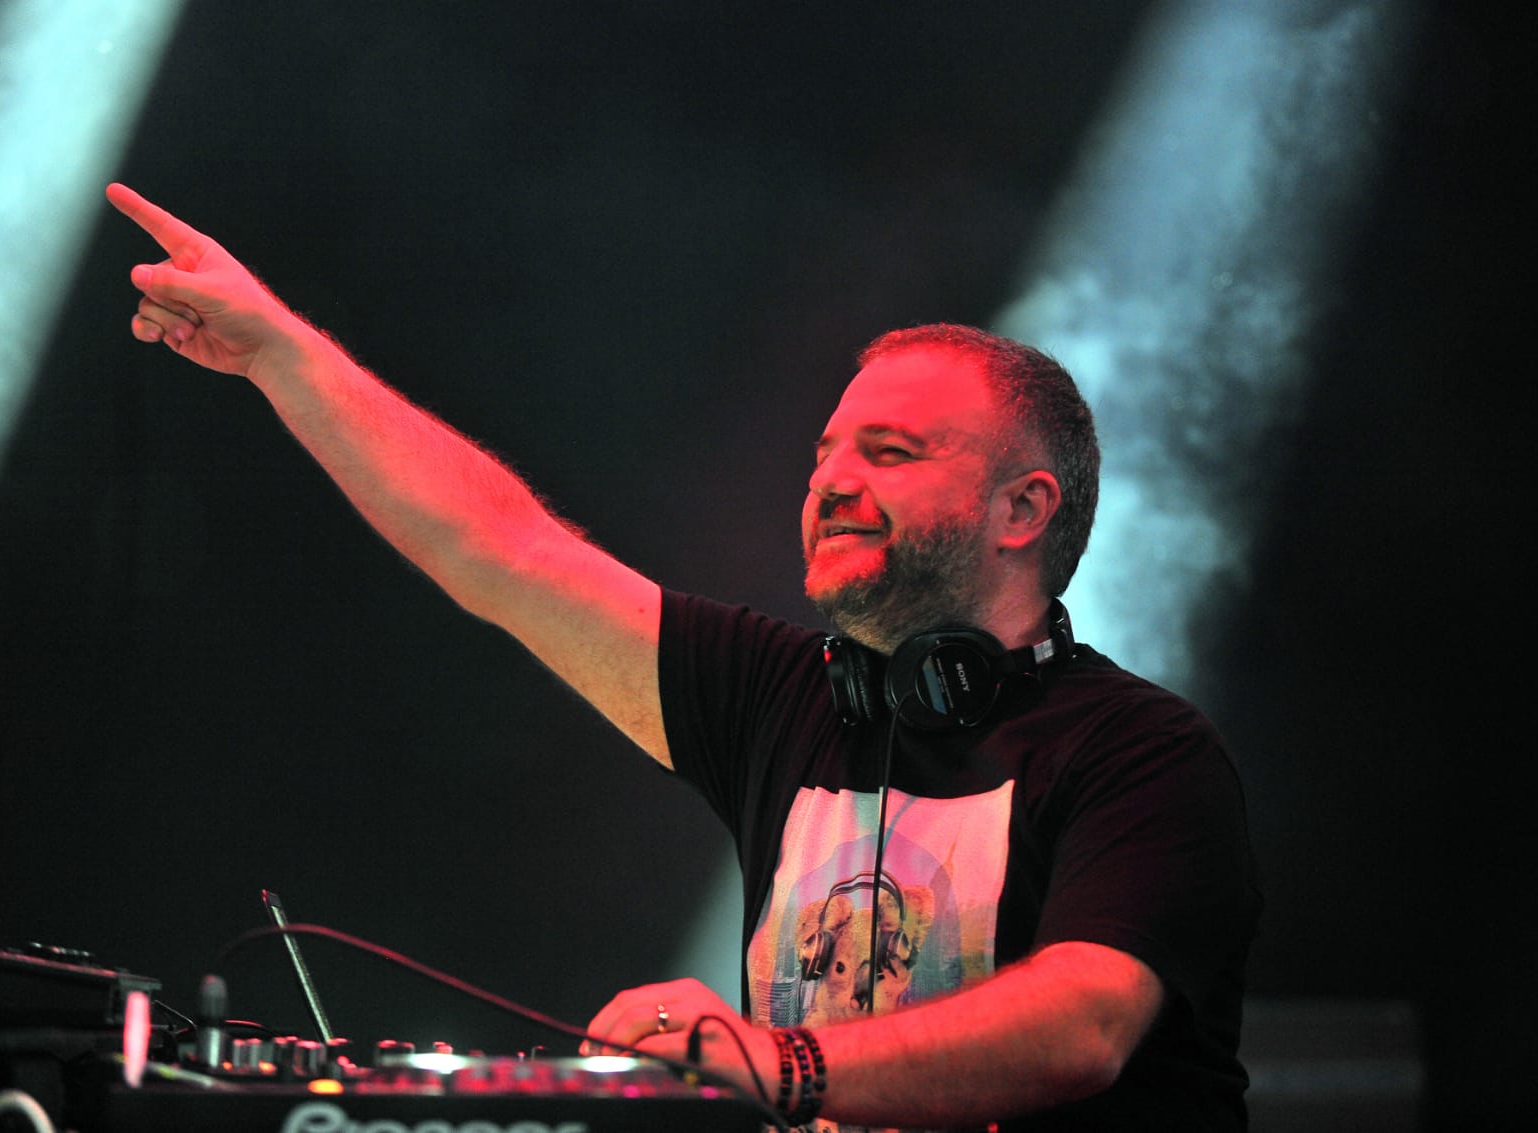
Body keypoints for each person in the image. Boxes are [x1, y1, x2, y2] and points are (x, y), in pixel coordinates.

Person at [106, 182, 1260, 1131]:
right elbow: (497, 548)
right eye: (823, 452)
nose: (830, 480)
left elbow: (1082, 1022)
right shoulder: (780, 697)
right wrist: (282, 355)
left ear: (1022, 509)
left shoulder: (1141, 750)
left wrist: (777, 1060)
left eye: (890, 451)